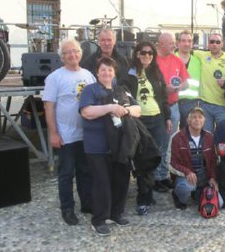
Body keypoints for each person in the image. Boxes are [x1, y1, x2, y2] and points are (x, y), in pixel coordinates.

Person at [79, 57, 141, 236]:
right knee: (102, 183)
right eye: (103, 70)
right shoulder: (90, 90)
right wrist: (111, 107)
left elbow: (138, 110)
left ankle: (115, 213)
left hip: (120, 145)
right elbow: (87, 112)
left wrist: (126, 110)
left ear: (114, 73)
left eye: (110, 70)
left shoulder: (121, 90)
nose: (106, 73)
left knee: (121, 180)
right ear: (97, 72)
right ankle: (98, 219)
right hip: (97, 146)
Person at [43, 38, 95, 225]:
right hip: (66, 136)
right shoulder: (55, 77)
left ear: (80, 53)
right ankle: (67, 209)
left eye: (75, 51)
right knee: (66, 174)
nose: (72, 55)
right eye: (67, 53)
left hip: (86, 135)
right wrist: (53, 133)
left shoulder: (88, 75)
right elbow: (49, 107)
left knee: (85, 171)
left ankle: (87, 203)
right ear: (62, 57)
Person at [124, 41, 172, 214]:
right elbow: (124, 96)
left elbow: (163, 97)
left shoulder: (155, 72)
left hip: (157, 118)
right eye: (143, 53)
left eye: (150, 53)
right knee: (142, 159)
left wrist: (167, 117)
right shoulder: (129, 74)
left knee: (153, 157)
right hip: (139, 119)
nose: (147, 56)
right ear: (137, 54)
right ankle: (143, 197)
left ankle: (147, 192)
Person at [167, 106, 221, 209]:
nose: (197, 120)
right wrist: (187, 172)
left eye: (200, 117)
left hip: (204, 175)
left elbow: (214, 161)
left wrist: (212, 177)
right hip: (187, 176)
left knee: (220, 203)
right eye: (194, 117)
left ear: (204, 120)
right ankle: (177, 195)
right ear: (188, 120)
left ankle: (198, 193)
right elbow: (170, 162)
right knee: (186, 188)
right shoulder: (177, 137)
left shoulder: (209, 137)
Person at [193, 33, 225, 133]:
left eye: (217, 42)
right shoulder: (202, 55)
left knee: (223, 135)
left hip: (222, 105)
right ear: (208, 44)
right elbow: (185, 51)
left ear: (222, 44)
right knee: (207, 136)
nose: (214, 44)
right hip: (205, 104)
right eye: (212, 42)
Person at [156, 32, 189, 136]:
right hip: (157, 107)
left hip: (173, 108)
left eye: (174, 43)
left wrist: (178, 88)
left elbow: (186, 83)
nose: (174, 46)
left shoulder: (178, 61)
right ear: (161, 44)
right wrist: (164, 90)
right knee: (157, 143)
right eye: (171, 43)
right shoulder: (152, 60)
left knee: (169, 143)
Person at [175, 30, 202, 128]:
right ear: (178, 43)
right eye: (183, 41)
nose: (187, 44)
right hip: (174, 102)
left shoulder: (198, 61)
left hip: (192, 103)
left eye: (189, 41)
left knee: (188, 135)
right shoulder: (171, 59)